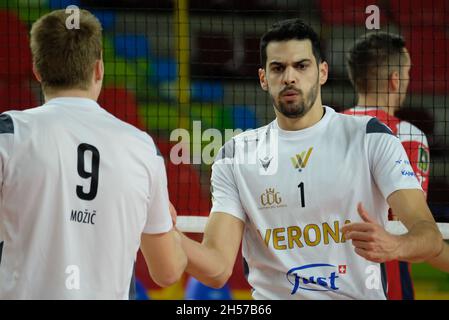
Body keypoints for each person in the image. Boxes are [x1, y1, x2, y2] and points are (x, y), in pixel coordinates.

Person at [175, 18, 444, 299]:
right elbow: (217, 269)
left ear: (322, 72)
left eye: (301, 66)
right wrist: (168, 233)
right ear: (263, 79)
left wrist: (395, 245)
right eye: (278, 68)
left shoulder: (371, 137)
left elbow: (429, 236)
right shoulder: (235, 155)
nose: (289, 77)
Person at [0, 9, 186, 299]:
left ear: (37, 72)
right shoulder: (143, 147)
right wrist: (164, 223)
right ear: (99, 69)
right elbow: (168, 272)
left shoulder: (9, 133)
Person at [344, 32, 449, 299]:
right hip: (384, 274)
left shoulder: (326, 128)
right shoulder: (407, 134)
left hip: (326, 271)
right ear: (395, 79)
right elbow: (412, 232)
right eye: (407, 72)